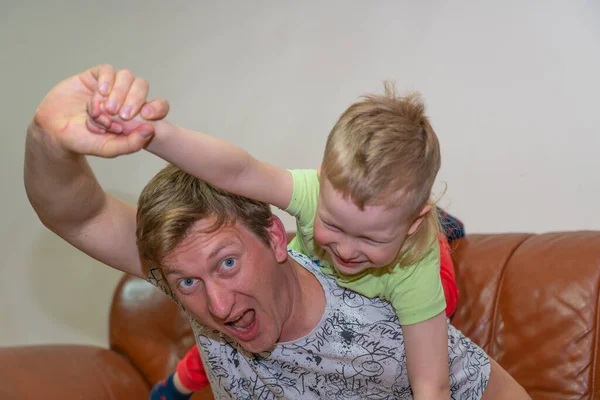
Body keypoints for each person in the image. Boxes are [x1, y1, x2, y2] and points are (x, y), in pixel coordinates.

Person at [24, 65, 530, 399]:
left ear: (273, 236)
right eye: (187, 282)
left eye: (227, 263)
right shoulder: (194, 281)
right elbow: (80, 215)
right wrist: (48, 135)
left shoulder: (391, 326)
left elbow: (493, 391)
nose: (218, 307)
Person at [130, 81, 451, 398]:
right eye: (333, 225)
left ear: (412, 222)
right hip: (304, 294)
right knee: (228, 330)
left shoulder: (415, 273)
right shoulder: (311, 192)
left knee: (436, 321)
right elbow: (238, 172)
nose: (346, 250)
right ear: (321, 180)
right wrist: (155, 134)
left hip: (405, 277)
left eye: (371, 238)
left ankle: (444, 230)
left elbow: (431, 384)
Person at [150, 209, 464, 400]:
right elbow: (214, 351)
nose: (218, 304)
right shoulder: (303, 262)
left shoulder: (415, 279)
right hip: (314, 267)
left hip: (417, 265)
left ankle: (436, 227)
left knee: (438, 298)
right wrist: (176, 387)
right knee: (229, 332)